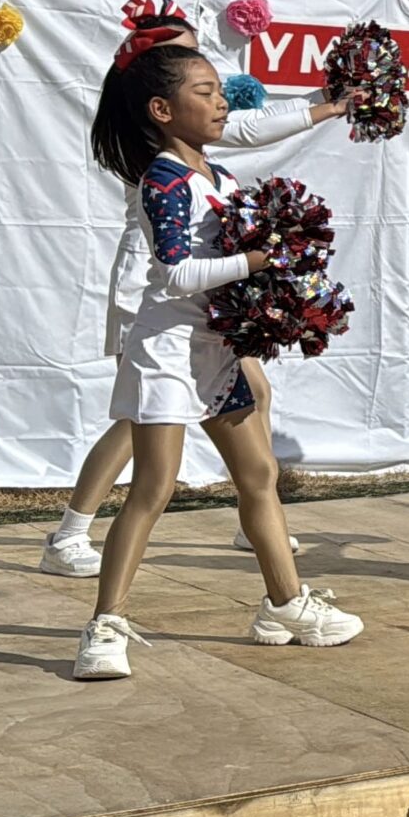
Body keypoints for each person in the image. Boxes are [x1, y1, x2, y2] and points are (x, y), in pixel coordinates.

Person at [77, 33, 360, 679]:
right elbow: (176, 274)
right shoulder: (163, 178)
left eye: (218, 91)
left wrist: (278, 287)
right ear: (162, 110)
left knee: (258, 474)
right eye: (204, 92)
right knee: (153, 488)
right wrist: (258, 261)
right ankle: (104, 627)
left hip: (215, 350)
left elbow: (230, 247)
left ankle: (285, 604)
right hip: (167, 352)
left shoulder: (220, 176)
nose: (221, 102)